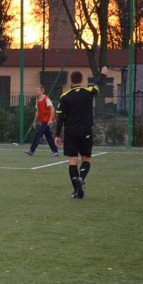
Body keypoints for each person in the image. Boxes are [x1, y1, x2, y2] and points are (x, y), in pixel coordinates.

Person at [54, 65, 108, 199]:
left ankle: (77, 191)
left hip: (70, 132)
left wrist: (57, 135)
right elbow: (97, 84)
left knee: (72, 161)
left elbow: (60, 117)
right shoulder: (88, 92)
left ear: (71, 81)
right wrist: (103, 74)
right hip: (85, 131)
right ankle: (81, 178)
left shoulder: (64, 96)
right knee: (86, 159)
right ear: (82, 80)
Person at [25, 84, 59, 157]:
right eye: (35, 90)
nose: (36, 92)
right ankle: (55, 151)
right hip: (44, 121)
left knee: (38, 134)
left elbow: (52, 108)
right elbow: (37, 112)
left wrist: (50, 120)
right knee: (49, 137)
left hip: (47, 121)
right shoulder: (37, 100)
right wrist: (34, 122)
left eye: (37, 90)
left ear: (42, 91)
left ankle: (31, 150)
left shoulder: (46, 98)